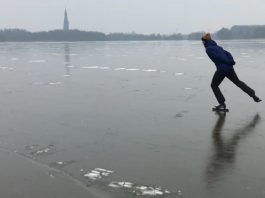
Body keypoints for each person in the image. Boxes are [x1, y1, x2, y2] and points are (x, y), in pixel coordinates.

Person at [201, 33, 261, 110]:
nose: (202, 43)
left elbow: (218, 57)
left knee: (214, 85)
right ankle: (254, 96)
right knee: (238, 82)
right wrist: (231, 62)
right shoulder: (218, 47)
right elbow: (228, 54)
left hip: (222, 69)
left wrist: (226, 62)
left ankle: (222, 104)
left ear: (205, 41)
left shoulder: (208, 49)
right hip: (229, 68)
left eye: (202, 42)